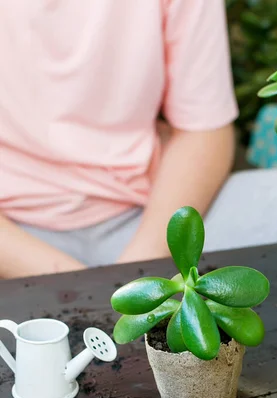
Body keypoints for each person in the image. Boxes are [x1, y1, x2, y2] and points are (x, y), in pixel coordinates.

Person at [0, 0, 237, 278]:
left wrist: (138, 273)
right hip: (13, 232)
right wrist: (81, 284)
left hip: (149, 213)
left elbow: (203, 128)